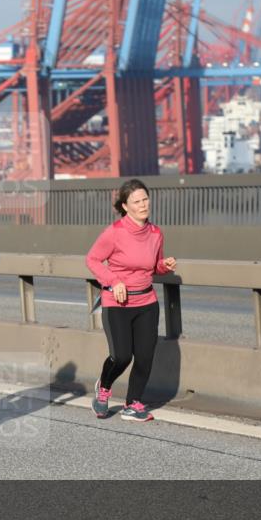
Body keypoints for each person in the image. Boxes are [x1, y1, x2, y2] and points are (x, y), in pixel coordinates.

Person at [86, 179, 177, 422]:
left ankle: (132, 403)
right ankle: (104, 388)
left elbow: (153, 266)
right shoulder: (114, 232)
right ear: (125, 206)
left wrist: (164, 266)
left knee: (145, 356)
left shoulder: (156, 233)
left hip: (146, 302)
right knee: (122, 356)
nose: (143, 205)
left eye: (145, 199)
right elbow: (93, 260)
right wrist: (113, 281)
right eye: (136, 201)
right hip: (118, 304)